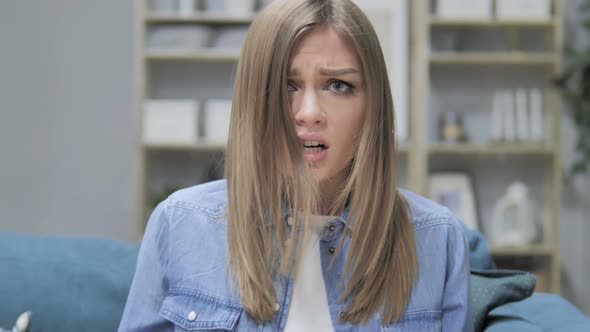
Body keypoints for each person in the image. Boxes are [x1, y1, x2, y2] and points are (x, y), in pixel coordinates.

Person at [119, 0, 472, 331]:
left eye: (338, 85)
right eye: (285, 86)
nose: (309, 114)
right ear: (253, 101)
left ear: (372, 107)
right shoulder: (178, 222)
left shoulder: (438, 239)